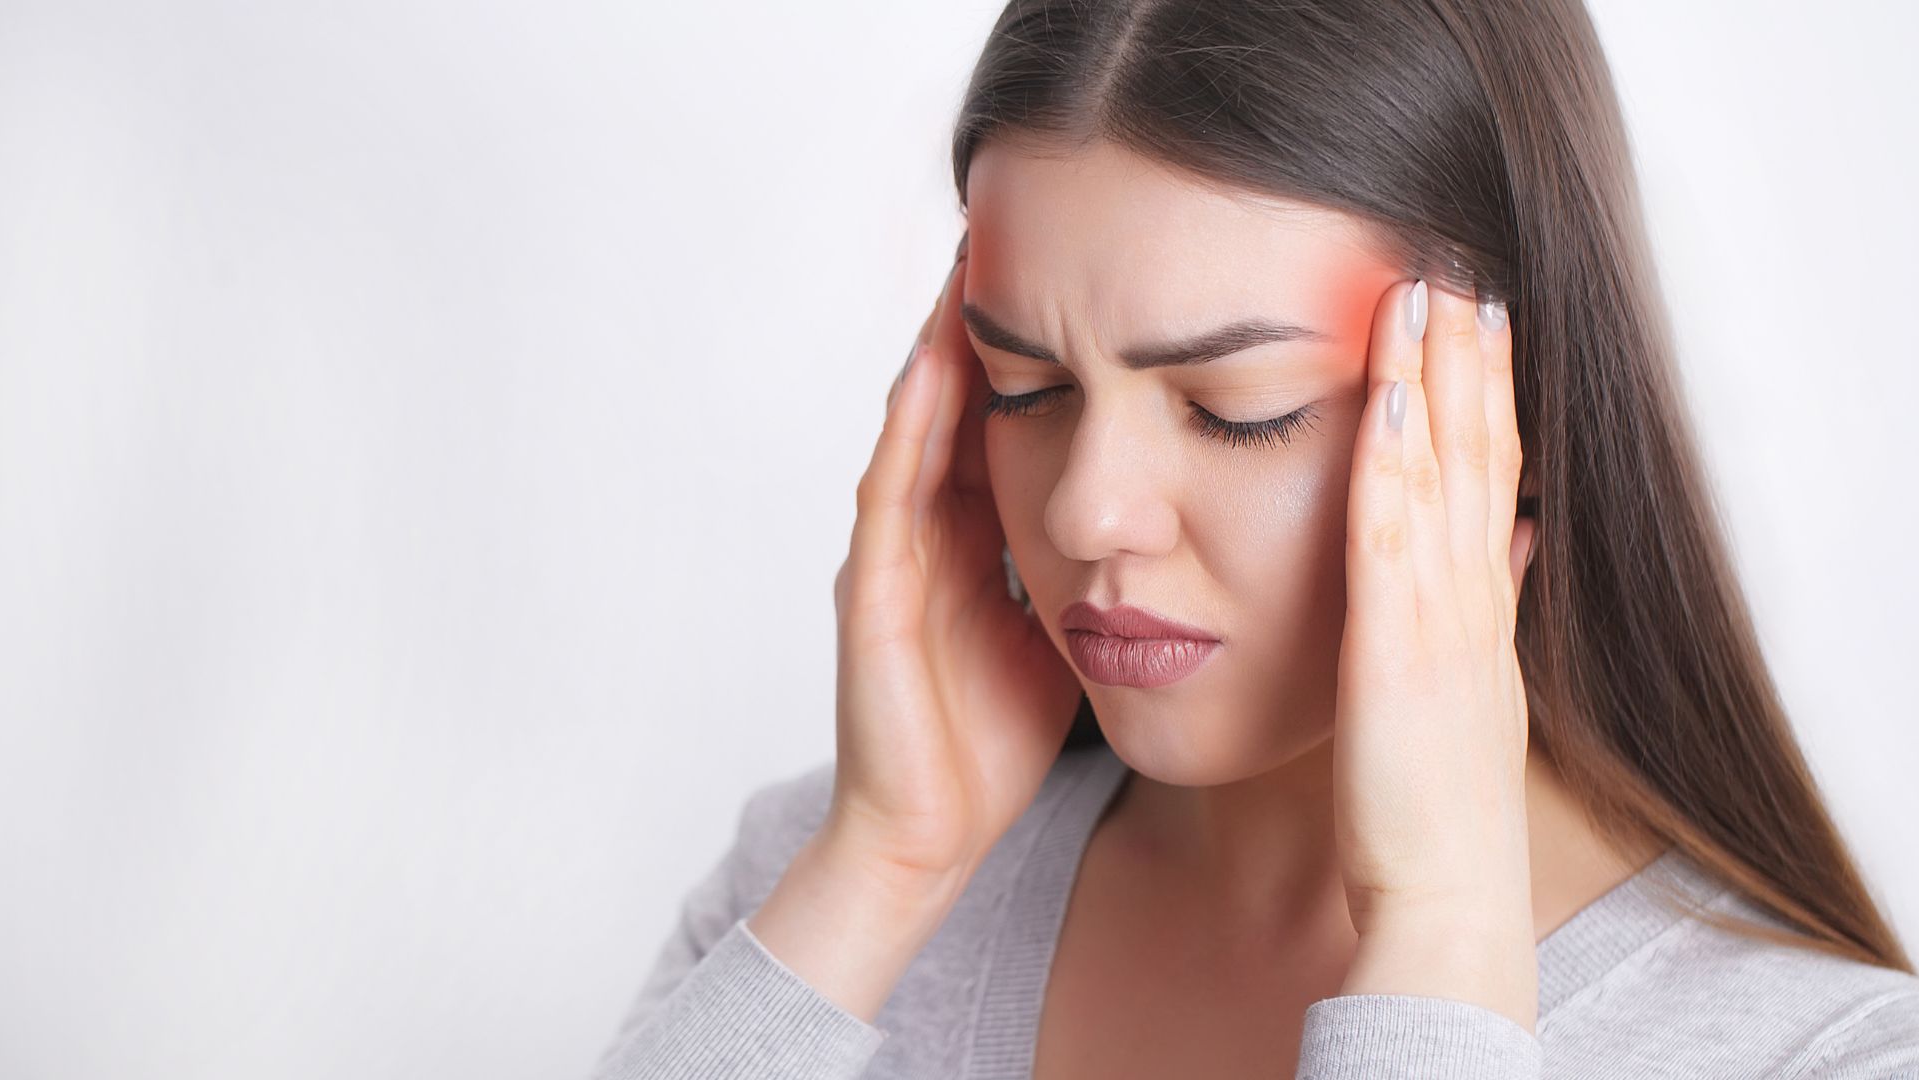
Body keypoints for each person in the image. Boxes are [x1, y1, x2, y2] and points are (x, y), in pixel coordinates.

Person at [589, 0, 1919, 1076]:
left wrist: (1442, 951)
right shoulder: (808, 899)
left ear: (1516, 410)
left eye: (1239, 412)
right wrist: (881, 871)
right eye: (1025, 389)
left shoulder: (1819, 1053)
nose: (1083, 512)